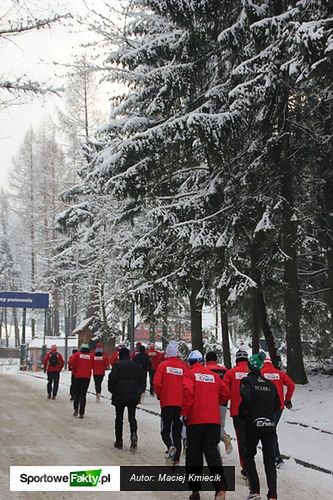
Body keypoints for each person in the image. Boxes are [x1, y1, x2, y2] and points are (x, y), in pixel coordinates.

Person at [183, 350, 228, 500]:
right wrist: (213, 402)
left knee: (194, 454)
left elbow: (188, 393)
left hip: (195, 419)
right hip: (213, 421)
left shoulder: (190, 374)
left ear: (190, 362)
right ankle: (220, 486)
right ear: (201, 361)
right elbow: (225, 394)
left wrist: (185, 412)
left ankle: (195, 491)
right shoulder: (214, 376)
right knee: (212, 453)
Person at [239, 352, 280, 500]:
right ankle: (273, 494)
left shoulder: (246, 381)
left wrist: (242, 413)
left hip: (253, 424)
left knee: (248, 455)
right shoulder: (270, 384)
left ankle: (255, 491)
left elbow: (246, 400)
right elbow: (277, 405)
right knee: (269, 459)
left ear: (249, 365)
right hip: (269, 425)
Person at [153, 340, 188, 465]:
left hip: (167, 402)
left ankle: (170, 446)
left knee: (165, 430)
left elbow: (156, 383)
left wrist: (159, 395)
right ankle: (176, 460)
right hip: (180, 404)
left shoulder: (163, 366)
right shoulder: (184, 366)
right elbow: (188, 385)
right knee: (177, 432)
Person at [261, 355, 295, 466]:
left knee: (269, 430)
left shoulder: (260, 373)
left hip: (265, 406)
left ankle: (275, 457)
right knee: (271, 429)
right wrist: (287, 399)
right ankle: (275, 456)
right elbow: (291, 384)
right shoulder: (279, 373)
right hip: (278, 407)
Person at [108, 347, 145, 451]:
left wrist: (112, 390)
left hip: (119, 395)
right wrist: (138, 392)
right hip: (133, 396)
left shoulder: (117, 365)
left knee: (119, 418)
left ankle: (119, 441)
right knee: (132, 417)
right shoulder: (136, 366)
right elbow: (141, 380)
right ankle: (133, 434)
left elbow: (112, 380)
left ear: (120, 355)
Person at [222, 349, 249, 477]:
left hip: (237, 411)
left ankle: (245, 466)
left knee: (241, 439)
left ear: (236, 360)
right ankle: (251, 463)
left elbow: (224, 391)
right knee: (252, 439)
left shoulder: (231, 373)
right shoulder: (253, 372)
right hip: (253, 411)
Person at [205, 351, 233, 455]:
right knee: (220, 426)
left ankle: (216, 452)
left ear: (206, 360)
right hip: (223, 402)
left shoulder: (205, 370)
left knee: (210, 428)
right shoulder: (225, 370)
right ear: (216, 359)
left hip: (209, 402)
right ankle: (224, 437)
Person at [71, 343, 93, 419]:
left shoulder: (77, 355)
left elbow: (72, 361)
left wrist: (76, 368)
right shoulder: (91, 356)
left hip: (78, 376)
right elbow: (93, 365)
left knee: (77, 394)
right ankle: (82, 413)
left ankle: (76, 409)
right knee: (83, 395)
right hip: (87, 377)